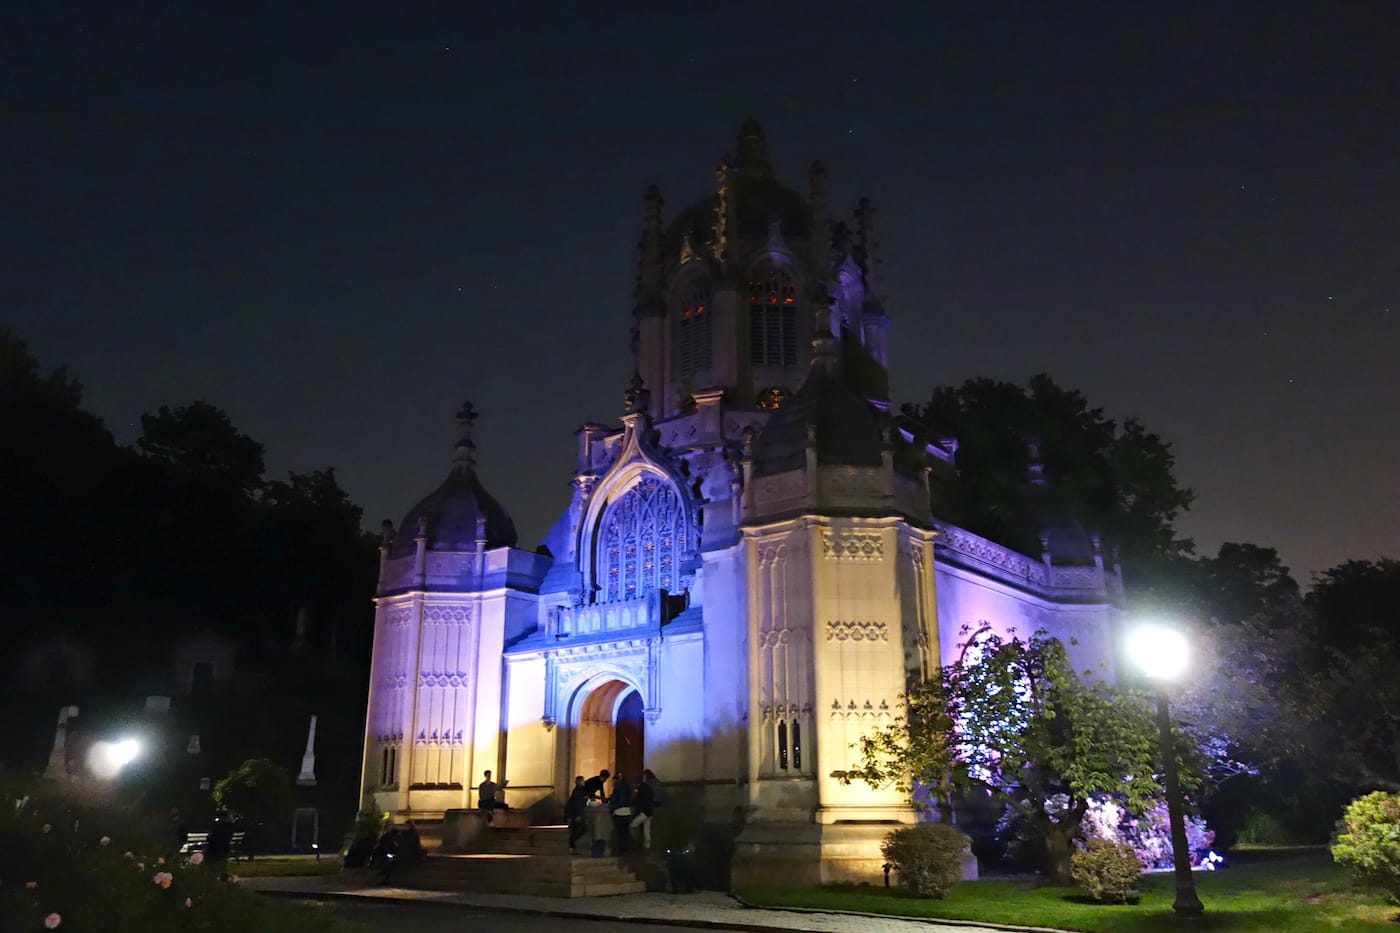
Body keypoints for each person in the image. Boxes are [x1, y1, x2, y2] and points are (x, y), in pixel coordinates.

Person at [608, 772, 633, 855]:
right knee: (625, 832)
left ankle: (621, 850)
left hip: (619, 812)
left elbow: (615, 801)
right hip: (627, 812)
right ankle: (627, 849)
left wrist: (612, 807)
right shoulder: (627, 787)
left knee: (619, 833)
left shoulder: (617, 788)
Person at [630, 775, 656, 850]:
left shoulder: (639, 789)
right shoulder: (647, 787)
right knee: (646, 829)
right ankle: (647, 846)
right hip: (649, 811)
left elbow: (638, 801)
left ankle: (634, 842)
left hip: (644, 811)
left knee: (632, 826)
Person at [565, 776, 590, 850]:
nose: (584, 782)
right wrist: (578, 815)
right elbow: (577, 804)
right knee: (579, 830)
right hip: (575, 814)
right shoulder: (578, 791)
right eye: (582, 781)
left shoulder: (579, 790)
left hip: (575, 814)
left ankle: (572, 846)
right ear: (579, 782)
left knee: (576, 830)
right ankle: (572, 846)